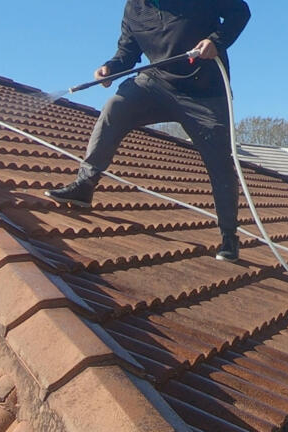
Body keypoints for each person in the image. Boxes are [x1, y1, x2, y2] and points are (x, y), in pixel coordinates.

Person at [46, 0, 251, 262]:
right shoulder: (134, 8)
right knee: (116, 107)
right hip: (156, 84)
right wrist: (111, 68)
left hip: (205, 94)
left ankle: (229, 235)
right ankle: (84, 186)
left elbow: (240, 11)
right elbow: (127, 52)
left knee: (219, 159)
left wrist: (216, 41)